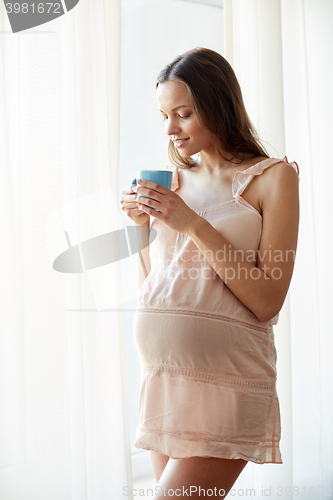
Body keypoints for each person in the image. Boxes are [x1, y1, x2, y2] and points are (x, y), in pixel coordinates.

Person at [120, 47, 300, 498]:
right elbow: (154, 289)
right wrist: (141, 231)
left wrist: (191, 224)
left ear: (218, 105)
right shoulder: (172, 184)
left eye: (183, 113)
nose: (170, 129)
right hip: (164, 376)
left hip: (228, 379)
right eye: (164, 116)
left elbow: (267, 300)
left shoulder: (273, 178)